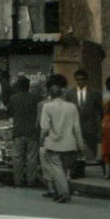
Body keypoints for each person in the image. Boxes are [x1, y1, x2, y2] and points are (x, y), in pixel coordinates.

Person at [38, 74, 84, 202]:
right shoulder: (72, 107)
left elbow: (45, 128)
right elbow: (77, 128)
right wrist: (81, 146)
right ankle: (60, 191)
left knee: (57, 171)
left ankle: (64, 194)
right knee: (63, 171)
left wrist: (42, 142)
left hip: (54, 144)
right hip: (70, 145)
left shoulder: (47, 107)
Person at [7, 76, 41, 187]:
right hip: (32, 131)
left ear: (18, 87)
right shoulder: (36, 98)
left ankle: (18, 181)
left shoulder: (13, 98)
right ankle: (31, 181)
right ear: (28, 86)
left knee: (18, 158)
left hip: (18, 131)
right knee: (32, 158)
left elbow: (10, 113)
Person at [69, 69, 100, 163]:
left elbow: (98, 111)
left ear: (86, 80)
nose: (80, 82)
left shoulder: (94, 93)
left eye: (82, 79)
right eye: (78, 80)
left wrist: (97, 126)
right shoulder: (70, 93)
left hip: (90, 126)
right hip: (76, 126)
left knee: (91, 150)